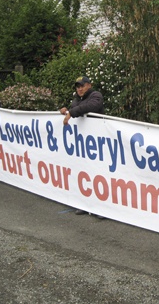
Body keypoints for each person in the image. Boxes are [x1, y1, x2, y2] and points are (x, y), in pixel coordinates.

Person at [60, 75, 105, 217]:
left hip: (98, 141)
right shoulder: (77, 100)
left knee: (99, 174)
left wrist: (71, 112)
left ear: (89, 85)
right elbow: (75, 109)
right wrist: (66, 111)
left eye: (82, 85)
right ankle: (85, 204)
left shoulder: (95, 95)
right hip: (84, 144)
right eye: (78, 86)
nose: (80, 89)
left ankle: (102, 208)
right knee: (84, 172)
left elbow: (92, 106)